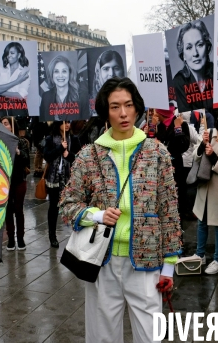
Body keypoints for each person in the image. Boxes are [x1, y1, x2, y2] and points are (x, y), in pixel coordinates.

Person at [59, 77, 182, 343]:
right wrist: (97, 215)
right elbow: (67, 204)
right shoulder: (89, 155)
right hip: (102, 261)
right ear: (105, 111)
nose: (123, 113)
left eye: (128, 105)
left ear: (137, 108)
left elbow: (169, 212)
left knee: (150, 337)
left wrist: (169, 267)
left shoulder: (157, 153)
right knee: (102, 337)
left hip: (146, 262)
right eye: (115, 107)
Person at [193, 127, 218, 274]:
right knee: (201, 221)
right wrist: (203, 144)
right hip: (204, 183)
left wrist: (213, 156)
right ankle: (200, 254)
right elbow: (195, 157)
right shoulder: (208, 132)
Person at [43, 120, 80, 247]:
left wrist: (68, 154)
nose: (68, 125)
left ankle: (76, 235)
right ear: (58, 124)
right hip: (53, 180)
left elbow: (79, 158)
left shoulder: (74, 139)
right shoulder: (50, 139)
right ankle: (52, 236)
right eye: (64, 122)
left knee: (72, 207)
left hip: (69, 179)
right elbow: (46, 156)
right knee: (53, 207)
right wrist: (59, 148)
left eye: (69, 122)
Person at [0, 117, 29, 251]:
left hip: (19, 180)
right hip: (4, 182)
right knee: (8, 211)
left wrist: (18, 151)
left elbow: (27, 159)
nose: (4, 126)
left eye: (6, 123)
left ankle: (20, 238)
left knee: (18, 210)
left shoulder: (21, 141)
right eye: (2, 124)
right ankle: (11, 239)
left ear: (12, 126)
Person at [172, 20, 214, 113]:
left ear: (207, 47)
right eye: (189, 47)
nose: (195, 53)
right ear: (183, 54)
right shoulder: (179, 81)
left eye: (200, 45)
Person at [40, 55, 79, 121]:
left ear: (70, 73)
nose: (60, 75)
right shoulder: (45, 97)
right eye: (56, 71)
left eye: (64, 71)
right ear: (52, 74)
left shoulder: (80, 97)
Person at [91, 50, 125, 116]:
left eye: (116, 68)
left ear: (122, 70)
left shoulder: (129, 97)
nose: (111, 74)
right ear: (99, 72)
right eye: (106, 69)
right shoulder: (90, 103)